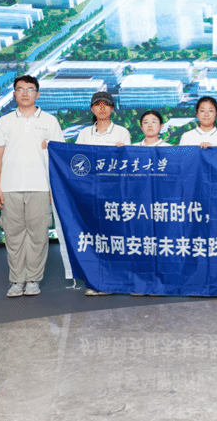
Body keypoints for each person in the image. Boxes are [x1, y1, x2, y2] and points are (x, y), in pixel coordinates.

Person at [0, 76, 64, 297]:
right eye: (20, 89)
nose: (25, 93)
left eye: (30, 89)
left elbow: (58, 156)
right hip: (10, 187)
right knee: (13, 236)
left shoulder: (50, 121)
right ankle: (16, 280)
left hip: (41, 187)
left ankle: (33, 279)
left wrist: (54, 188)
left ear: (37, 94)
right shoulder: (5, 121)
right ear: (14, 94)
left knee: (38, 236)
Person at [76, 92, 132, 295]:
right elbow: (76, 162)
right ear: (92, 109)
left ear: (112, 108)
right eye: (97, 105)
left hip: (113, 194)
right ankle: (94, 281)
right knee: (93, 238)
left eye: (106, 105)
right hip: (90, 193)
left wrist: (123, 152)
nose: (102, 108)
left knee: (112, 237)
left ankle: (112, 281)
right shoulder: (84, 134)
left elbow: (128, 164)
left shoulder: (122, 133)